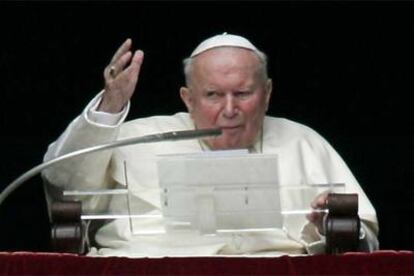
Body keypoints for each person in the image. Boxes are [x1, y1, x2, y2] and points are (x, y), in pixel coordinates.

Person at [43, 33, 379, 257]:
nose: (229, 109)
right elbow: (65, 186)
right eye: (213, 95)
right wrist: (109, 106)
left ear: (268, 95)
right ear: (188, 99)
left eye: (243, 93)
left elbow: (364, 239)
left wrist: (327, 225)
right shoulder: (137, 137)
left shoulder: (304, 142)